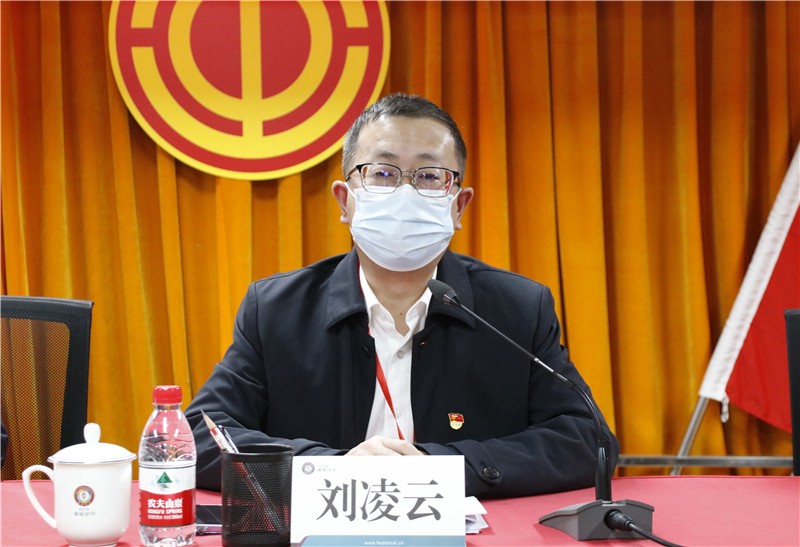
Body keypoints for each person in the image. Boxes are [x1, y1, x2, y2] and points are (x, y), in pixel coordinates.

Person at [185, 93, 619, 499]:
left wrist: (442, 468)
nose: (405, 192)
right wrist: (331, 468)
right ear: (345, 200)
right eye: (383, 173)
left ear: (459, 205)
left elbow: (588, 441)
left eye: (429, 176)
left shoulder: (516, 309)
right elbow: (198, 438)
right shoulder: (277, 310)